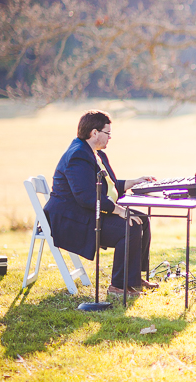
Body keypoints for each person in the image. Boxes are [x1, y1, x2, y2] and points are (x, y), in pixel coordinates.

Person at [44, 110, 158, 296]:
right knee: (129, 226)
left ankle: (134, 278)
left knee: (142, 219)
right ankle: (118, 286)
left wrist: (135, 182)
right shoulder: (78, 156)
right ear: (94, 132)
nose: (110, 138)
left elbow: (110, 185)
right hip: (74, 221)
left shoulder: (96, 154)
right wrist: (118, 210)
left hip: (89, 213)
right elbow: (87, 197)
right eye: (108, 133)